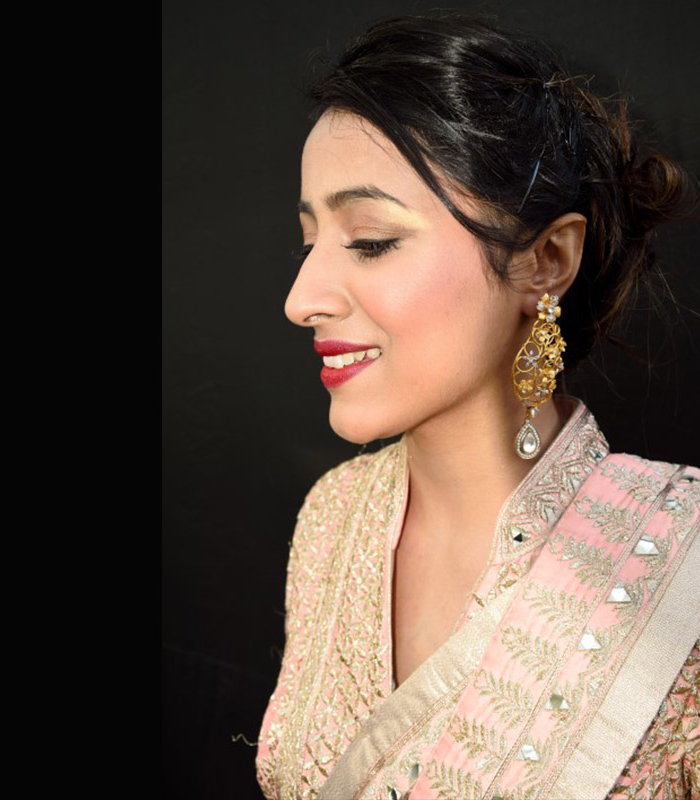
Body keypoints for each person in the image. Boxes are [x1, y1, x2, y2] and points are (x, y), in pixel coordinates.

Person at [256, 13, 699, 800]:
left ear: (546, 260)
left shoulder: (683, 562)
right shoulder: (334, 519)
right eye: (308, 241)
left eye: (369, 240)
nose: (301, 299)